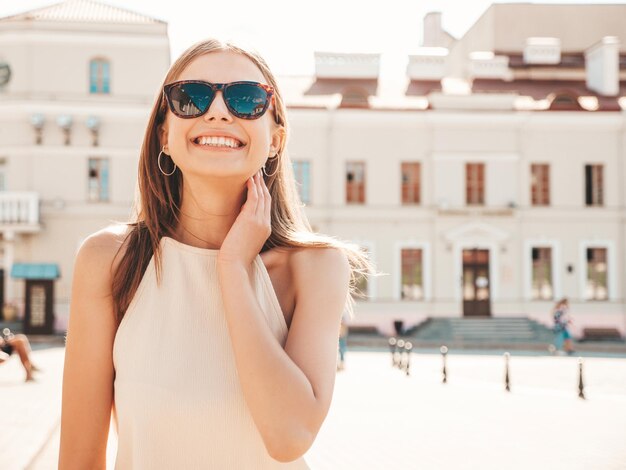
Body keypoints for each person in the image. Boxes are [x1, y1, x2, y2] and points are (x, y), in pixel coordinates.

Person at [59, 38, 374, 469]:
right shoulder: (109, 260)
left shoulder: (316, 268)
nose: (219, 111)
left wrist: (232, 267)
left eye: (246, 99)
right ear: (164, 135)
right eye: (191, 98)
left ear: (276, 139)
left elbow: (288, 437)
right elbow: (78, 460)